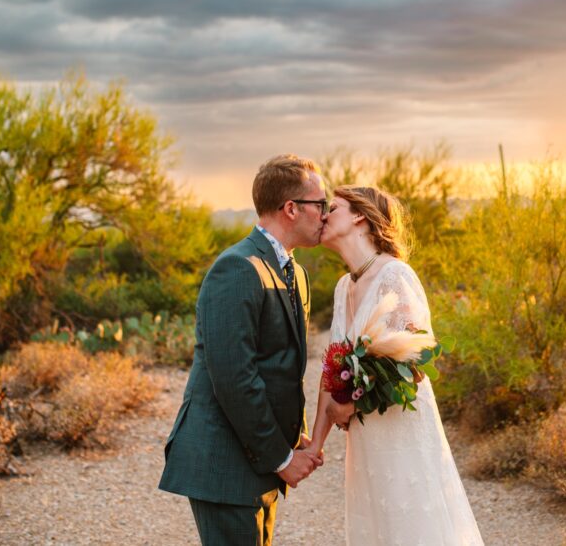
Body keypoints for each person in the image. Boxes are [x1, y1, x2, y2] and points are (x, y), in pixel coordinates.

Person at [158, 154, 350, 546]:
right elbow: (235, 378)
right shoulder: (237, 268)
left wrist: (295, 439)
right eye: (320, 204)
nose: (326, 214)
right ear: (291, 208)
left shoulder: (294, 272)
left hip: (259, 458)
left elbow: (281, 367)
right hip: (225, 462)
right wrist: (281, 459)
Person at [302, 185, 484, 545]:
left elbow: (414, 365)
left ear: (360, 216)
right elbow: (331, 374)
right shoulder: (343, 287)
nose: (323, 214)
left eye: (332, 207)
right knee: (378, 524)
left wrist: (353, 404)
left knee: (411, 522)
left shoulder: (394, 276)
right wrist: (314, 447)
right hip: (366, 440)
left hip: (402, 430)